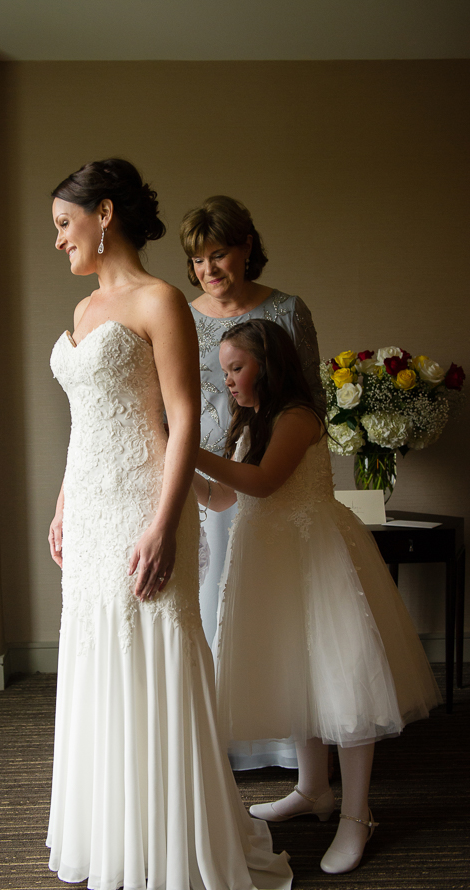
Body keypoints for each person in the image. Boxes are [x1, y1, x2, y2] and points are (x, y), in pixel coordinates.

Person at [46, 158, 292, 890]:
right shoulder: (83, 311)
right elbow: (84, 423)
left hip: (141, 502)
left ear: (105, 213)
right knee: (97, 651)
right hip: (87, 506)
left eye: (64, 224)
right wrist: (60, 504)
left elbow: (181, 418)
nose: (58, 241)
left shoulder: (159, 302)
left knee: (152, 647)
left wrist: (162, 523)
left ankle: (174, 843)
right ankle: (113, 837)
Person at [193, 319, 441, 874]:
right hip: (270, 561)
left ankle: (357, 814)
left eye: (237, 368)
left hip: (314, 556)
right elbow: (226, 497)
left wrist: (192, 446)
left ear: (269, 365)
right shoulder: (250, 422)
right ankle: (313, 790)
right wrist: (183, 469)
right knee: (297, 671)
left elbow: (265, 482)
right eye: (224, 370)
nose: (228, 380)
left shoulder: (297, 418)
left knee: (342, 679)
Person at [180, 195, 322, 771]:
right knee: (212, 601)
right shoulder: (181, 317)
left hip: (269, 470)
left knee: (275, 606)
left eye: (219, 255)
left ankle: (290, 746)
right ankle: (226, 741)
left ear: (246, 249)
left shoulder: (288, 310)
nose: (209, 271)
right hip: (207, 476)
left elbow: (308, 393)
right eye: (197, 260)